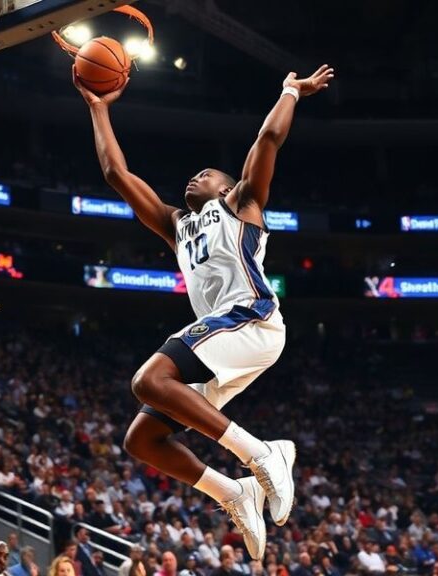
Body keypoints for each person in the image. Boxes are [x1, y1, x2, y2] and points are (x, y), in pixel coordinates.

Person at [73, 62, 334, 561]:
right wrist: (98, 108)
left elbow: (267, 141)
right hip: (226, 339)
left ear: (224, 187)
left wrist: (290, 92)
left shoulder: (241, 203)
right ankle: (233, 492)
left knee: (148, 380)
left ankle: (264, 454)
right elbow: (116, 173)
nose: (196, 174)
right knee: (143, 438)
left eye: (208, 172)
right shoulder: (177, 225)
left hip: (252, 317)